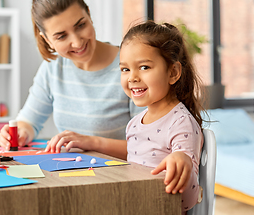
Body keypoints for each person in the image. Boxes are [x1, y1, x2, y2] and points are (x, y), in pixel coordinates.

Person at [47, 20, 205, 213]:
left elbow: (188, 200)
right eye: (125, 69)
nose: (132, 77)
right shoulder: (135, 124)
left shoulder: (181, 123)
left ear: (173, 72)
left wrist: (184, 164)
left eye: (144, 67)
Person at [0, 0, 143, 159]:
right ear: (47, 40)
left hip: (120, 179)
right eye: (61, 36)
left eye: (81, 25)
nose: (77, 42)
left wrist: (92, 142)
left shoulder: (130, 68)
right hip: (72, 173)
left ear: (89, 14)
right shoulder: (53, 69)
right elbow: (29, 121)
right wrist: (19, 133)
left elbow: (150, 146)